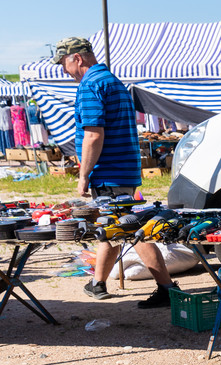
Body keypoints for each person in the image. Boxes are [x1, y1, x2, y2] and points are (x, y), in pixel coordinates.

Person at [54, 36, 178, 308]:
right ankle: (98, 283)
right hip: (123, 169)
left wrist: (84, 175)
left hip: (109, 172)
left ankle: (168, 288)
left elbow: (93, 135)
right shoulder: (113, 81)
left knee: (132, 231)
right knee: (114, 228)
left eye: (64, 63)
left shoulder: (90, 85)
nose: (64, 70)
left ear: (77, 58)